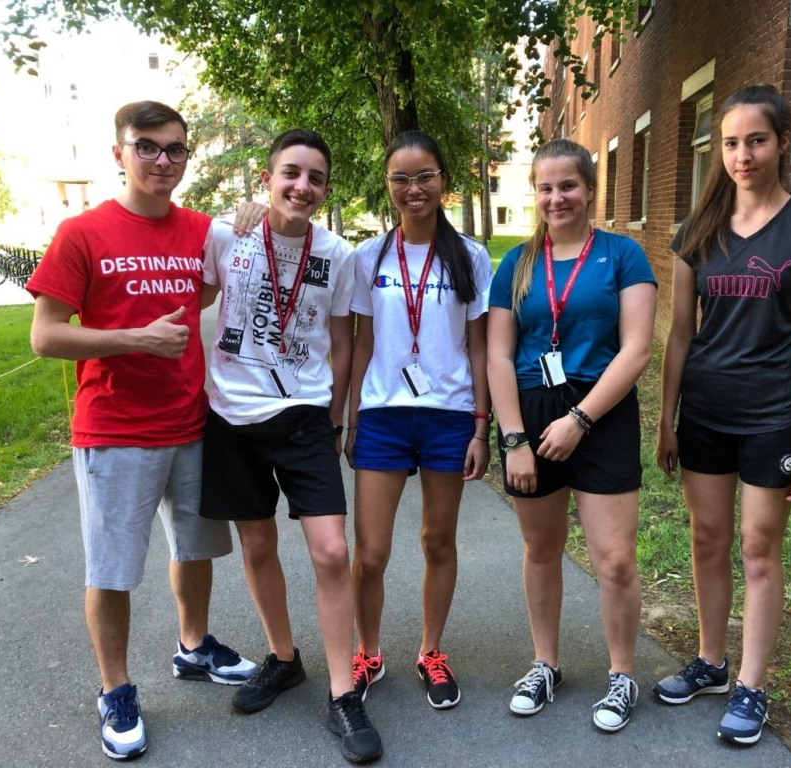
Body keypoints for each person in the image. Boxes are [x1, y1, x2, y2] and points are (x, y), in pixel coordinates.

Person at [27, 101, 257, 762]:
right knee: (113, 571)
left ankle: (194, 646)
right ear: (118, 153)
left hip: (191, 421)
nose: (162, 160)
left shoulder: (197, 230)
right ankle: (116, 688)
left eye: (175, 149)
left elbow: (208, 291)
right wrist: (134, 339)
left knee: (196, 548)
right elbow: (45, 335)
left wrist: (248, 219)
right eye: (147, 147)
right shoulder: (83, 233)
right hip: (115, 432)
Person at [654, 84, 791, 745]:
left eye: (756, 140)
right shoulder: (698, 231)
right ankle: (711, 662)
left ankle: (753, 686)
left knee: (759, 552)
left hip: (775, 413)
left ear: (783, 142)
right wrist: (667, 416)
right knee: (707, 540)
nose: (742, 154)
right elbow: (679, 333)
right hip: (706, 409)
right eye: (730, 143)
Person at [200, 128, 382, 763]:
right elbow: (191, 298)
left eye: (316, 178)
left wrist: (334, 420)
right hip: (230, 414)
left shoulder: (338, 253)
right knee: (256, 544)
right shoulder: (227, 235)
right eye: (292, 173)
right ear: (267, 177)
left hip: (305, 416)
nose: (303, 185)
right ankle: (284, 658)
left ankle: (342, 693)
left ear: (325, 190)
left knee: (332, 552)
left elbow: (342, 342)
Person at [487, 138, 658, 732]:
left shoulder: (623, 255)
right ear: (534, 193)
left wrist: (580, 418)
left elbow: (637, 348)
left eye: (568, 186)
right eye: (545, 187)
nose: (556, 197)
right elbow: (498, 356)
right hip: (531, 412)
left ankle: (621, 674)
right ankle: (545, 664)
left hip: (601, 412)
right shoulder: (516, 263)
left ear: (589, 190)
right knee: (541, 549)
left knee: (613, 560)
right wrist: (514, 439)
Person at [346, 131, 492, 710]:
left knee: (437, 540)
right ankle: (368, 652)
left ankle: (432, 651)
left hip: (449, 417)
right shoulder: (369, 257)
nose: (413, 189)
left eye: (424, 176)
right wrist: (350, 416)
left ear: (443, 182)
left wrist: (482, 426)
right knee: (371, 552)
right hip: (383, 416)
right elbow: (360, 344)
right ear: (388, 187)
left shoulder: (471, 256)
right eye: (401, 179)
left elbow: (480, 348)